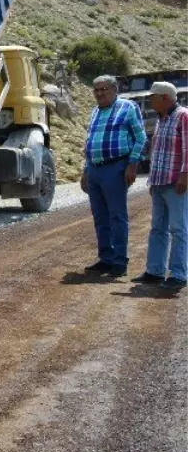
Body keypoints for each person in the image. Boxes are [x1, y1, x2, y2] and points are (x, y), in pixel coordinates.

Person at [80, 74, 147, 277]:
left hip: (116, 167)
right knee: (100, 217)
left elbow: (141, 137)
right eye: (96, 90)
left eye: (104, 89)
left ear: (114, 90)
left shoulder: (127, 107)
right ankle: (105, 258)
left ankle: (119, 262)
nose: (100, 93)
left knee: (117, 216)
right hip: (95, 169)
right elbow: (89, 143)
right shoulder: (95, 112)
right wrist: (85, 170)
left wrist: (132, 164)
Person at [133, 82, 188, 291]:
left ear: (164, 97)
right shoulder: (161, 119)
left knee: (178, 229)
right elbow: (157, 152)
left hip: (176, 183)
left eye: (153, 97)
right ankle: (155, 270)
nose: (150, 100)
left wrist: (185, 175)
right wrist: (153, 180)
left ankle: (179, 274)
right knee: (157, 228)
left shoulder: (183, 116)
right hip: (159, 182)